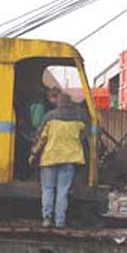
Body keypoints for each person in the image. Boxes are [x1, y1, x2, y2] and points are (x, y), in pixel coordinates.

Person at [29, 92, 87, 228]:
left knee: (48, 190)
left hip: (49, 159)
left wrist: (33, 154)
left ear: (58, 102)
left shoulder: (50, 117)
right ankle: (60, 221)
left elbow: (41, 138)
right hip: (69, 160)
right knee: (62, 191)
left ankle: (47, 219)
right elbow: (84, 137)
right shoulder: (79, 118)